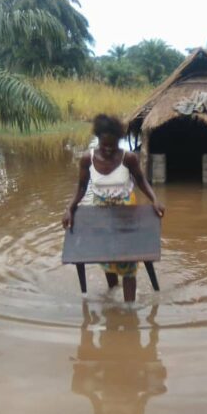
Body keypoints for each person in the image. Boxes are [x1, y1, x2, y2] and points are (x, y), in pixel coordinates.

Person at [62, 114, 165, 302]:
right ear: (98, 140)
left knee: (128, 262)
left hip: (126, 211)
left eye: (113, 146)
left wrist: (154, 199)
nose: (108, 150)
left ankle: (128, 309)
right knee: (107, 257)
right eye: (104, 145)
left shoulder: (129, 158)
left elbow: (142, 182)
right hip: (101, 211)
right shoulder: (88, 159)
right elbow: (82, 188)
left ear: (119, 141)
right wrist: (70, 208)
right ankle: (112, 298)